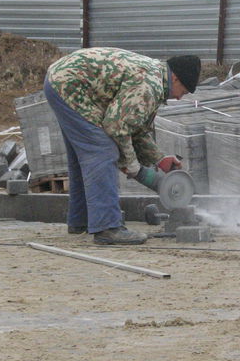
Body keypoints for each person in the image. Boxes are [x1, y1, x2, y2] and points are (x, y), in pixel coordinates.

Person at [43, 47, 201, 245]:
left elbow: (135, 127)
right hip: (69, 85)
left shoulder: (155, 77)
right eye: (183, 92)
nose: (179, 97)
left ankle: (80, 220)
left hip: (62, 80)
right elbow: (116, 127)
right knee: (102, 151)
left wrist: (159, 159)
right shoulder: (148, 86)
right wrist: (133, 166)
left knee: (83, 155)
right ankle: (107, 227)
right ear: (176, 78)